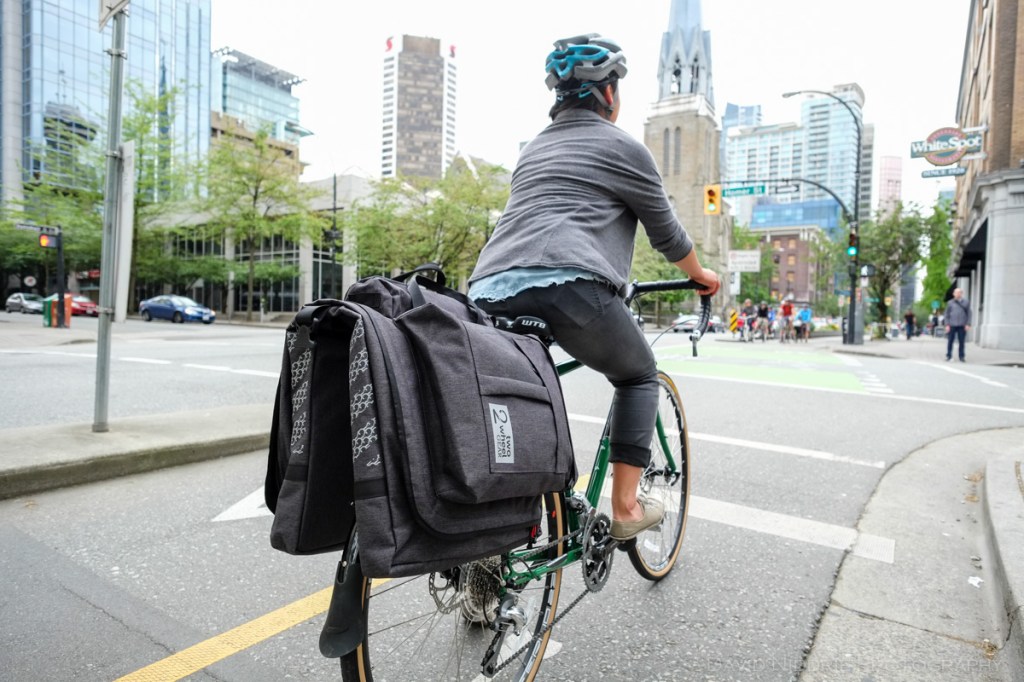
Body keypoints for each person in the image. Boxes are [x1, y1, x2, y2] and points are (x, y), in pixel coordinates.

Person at [468, 33, 719, 542]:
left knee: (507, 393)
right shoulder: (625, 148)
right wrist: (701, 275)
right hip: (571, 288)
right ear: (608, 95)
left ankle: (488, 529)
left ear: (557, 98)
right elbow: (668, 235)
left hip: (486, 289)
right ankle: (625, 508)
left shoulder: (533, 150)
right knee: (638, 375)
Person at [945, 288, 972, 361]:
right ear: (953, 294)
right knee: (950, 341)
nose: (957, 294)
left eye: (959, 293)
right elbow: (947, 314)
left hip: (962, 325)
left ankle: (962, 356)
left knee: (962, 341)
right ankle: (949, 355)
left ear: (961, 294)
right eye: (956, 293)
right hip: (952, 324)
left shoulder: (966, 302)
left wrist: (968, 324)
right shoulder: (950, 303)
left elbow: (969, 314)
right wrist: (947, 325)